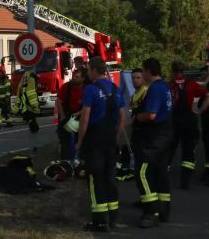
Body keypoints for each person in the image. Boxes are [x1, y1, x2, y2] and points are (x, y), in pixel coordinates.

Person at [76, 58, 125, 232]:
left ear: (95, 70)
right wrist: (115, 135)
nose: (88, 73)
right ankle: (113, 218)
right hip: (110, 141)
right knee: (109, 178)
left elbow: (85, 119)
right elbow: (122, 118)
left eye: (89, 69)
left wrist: (79, 142)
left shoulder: (90, 89)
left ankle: (99, 222)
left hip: (94, 142)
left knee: (95, 179)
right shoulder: (115, 90)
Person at [132, 58, 174, 228]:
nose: (142, 74)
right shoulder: (164, 86)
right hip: (165, 136)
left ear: (148, 70)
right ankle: (164, 209)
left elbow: (151, 114)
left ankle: (151, 212)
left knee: (142, 172)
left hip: (154, 139)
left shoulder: (155, 89)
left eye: (143, 70)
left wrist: (136, 117)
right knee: (160, 173)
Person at [167, 62, 209, 190]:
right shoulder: (192, 85)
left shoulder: (169, 86)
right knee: (188, 151)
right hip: (189, 121)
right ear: (184, 71)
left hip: (174, 121)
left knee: (170, 149)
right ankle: (185, 181)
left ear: (172, 71)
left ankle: (163, 178)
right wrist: (199, 111)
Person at [56, 67, 87, 159]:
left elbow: (88, 106)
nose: (74, 78)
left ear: (83, 79)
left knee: (82, 141)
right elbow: (58, 102)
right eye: (73, 76)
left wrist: (79, 113)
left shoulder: (87, 89)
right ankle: (65, 162)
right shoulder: (66, 87)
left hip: (80, 117)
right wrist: (62, 116)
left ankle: (81, 162)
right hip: (67, 116)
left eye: (77, 77)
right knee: (65, 142)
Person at [16, 68, 41, 133]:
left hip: (26, 107)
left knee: (30, 119)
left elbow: (21, 89)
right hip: (29, 107)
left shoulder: (26, 77)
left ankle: (33, 127)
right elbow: (31, 93)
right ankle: (34, 127)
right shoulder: (31, 78)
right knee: (31, 119)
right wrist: (35, 105)